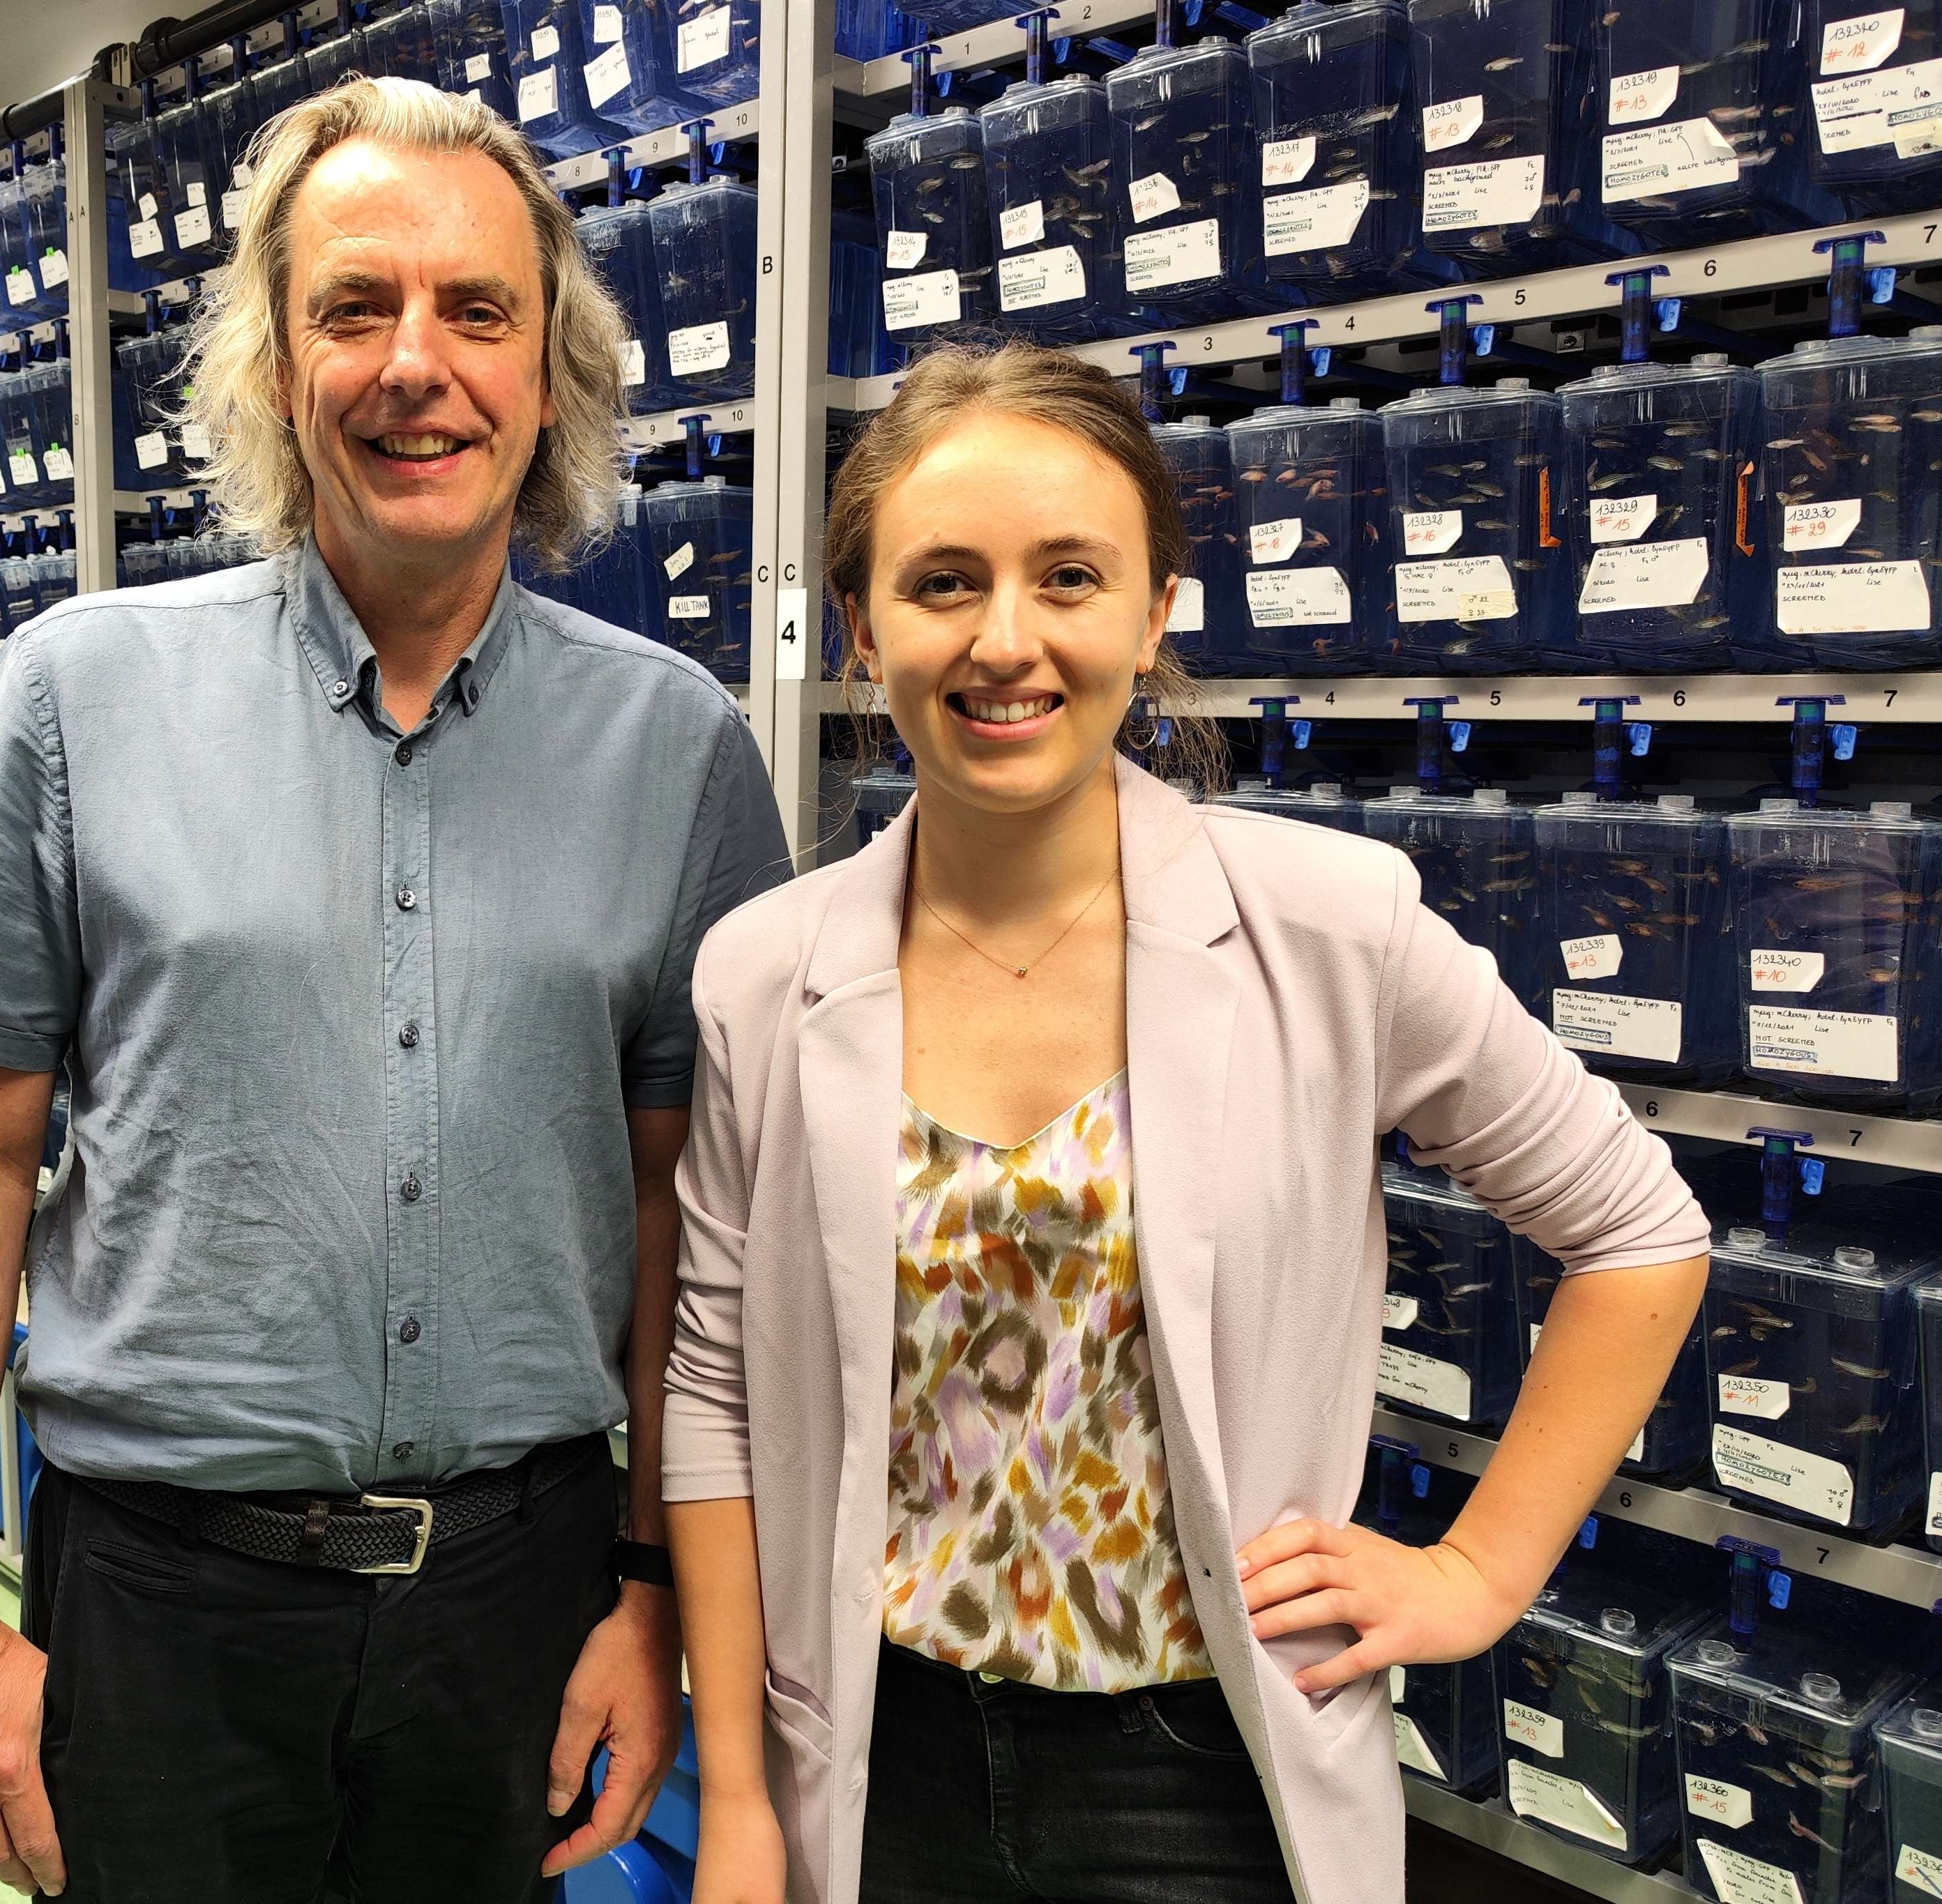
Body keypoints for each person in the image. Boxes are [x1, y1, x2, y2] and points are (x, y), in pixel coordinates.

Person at [0, 77, 787, 1903]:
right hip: (161, 1598)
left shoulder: (676, 750)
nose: (413, 365)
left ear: (550, 371)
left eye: (476, 312)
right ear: (278, 368)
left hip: (519, 1595)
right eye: (354, 308)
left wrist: (648, 1590)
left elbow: (687, 1215)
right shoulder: (75, 697)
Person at [659, 344, 1711, 1904]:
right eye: (942, 582)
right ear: (862, 626)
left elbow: (1636, 1232)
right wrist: (737, 1792)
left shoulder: (1329, 926)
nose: (1003, 640)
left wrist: (1478, 1571)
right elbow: (711, 1386)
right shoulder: (764, 971)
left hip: (1206, 1777)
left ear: (1152, 614)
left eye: (1066, 577)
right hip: (880, 1763)